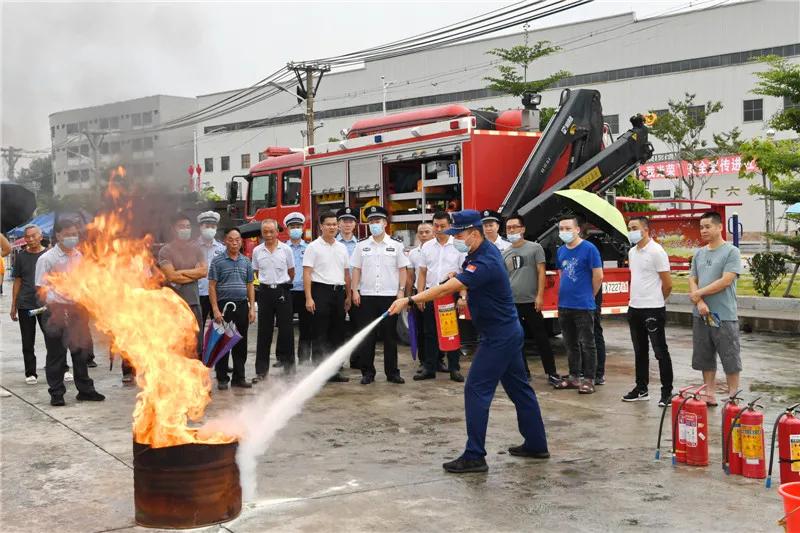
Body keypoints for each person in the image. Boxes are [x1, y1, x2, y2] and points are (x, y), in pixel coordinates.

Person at [388, 209, 549, 473]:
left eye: (459, 234)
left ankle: (475, 455)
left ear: (475, 233)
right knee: (519, 389)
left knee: (475, 389)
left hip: (499, 337)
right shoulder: (477, 253)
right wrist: (458, 277)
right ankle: (536, 444)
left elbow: (448, 289)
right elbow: (465, 279)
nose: (455, 238)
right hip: (505, 332)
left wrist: (411, 299)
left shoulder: (484, 259)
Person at [35, 217, 104, 406]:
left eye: (74, 234)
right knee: (56, 354)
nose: (72, 238)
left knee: (80, 352)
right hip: (55, 311)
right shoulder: (46, 259)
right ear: (58, 235)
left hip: (77, 309)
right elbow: (40, 287)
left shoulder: (78, 256)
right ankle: (57, 393)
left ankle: (85, 390)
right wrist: (57, 298)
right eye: (67, 235)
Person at [688, 211, 742, 406]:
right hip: (701, 313)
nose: (703, 230)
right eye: (701, 227)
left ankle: (733, 394)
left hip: (724, 314)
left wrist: (699, 293)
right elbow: (692, 278)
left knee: (730, 354)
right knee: (704, 354)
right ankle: (708, 393)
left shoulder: (731, 252)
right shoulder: (699, 253)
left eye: (707, 226)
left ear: (719, 227)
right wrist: (699, 301)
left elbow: (726, 280)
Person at [350, 205, 409, 384]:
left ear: (385, 223)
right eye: (371, 222)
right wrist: (354, 290)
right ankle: (368, 372)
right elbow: (356, 270)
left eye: (377, 221)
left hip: (389, 296)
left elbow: (403, 270)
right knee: (368, 336)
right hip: (367, 296)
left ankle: (392, 373)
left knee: (390, 336)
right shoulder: (361, 246)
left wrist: (401, 291)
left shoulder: (396, 245)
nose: (374, 225)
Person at [501, 214, 562, 386]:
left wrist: (540, 295)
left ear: (523, 229)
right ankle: (524, 372)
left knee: (541, 338)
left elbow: (541, 272)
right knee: (517, 340)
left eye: (515, 227)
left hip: (531, 301)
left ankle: (551, 372)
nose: (511, 230)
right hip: (513, 302)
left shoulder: (535, 248)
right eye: (508, 228)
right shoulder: (505, 253)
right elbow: (505, 278)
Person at [622, 216, 674, 406]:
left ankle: (667, 392)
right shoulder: (632, 252)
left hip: (653, 309)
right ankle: (641, 388)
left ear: (645, 230)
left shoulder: (657, 251)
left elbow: (668, 284)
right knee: (639, 351)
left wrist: (656, 300)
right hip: (634, 307)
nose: (631, 231)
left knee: (660, 352)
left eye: (634, 228)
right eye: (629, 228)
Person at [552, 214, 603, 395]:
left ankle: (589, 379)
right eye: (561, 229)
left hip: (583, 305)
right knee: (570, 343)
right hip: (564, 304)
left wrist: (589, 295)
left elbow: (598, 276)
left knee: (587, 343)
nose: (564, 232)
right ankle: (574, 376)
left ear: (577, 230)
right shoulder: (561, 251)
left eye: (568, 228)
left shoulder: (589, 249)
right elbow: (561, 273)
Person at [416, 211, 466, 382]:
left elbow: (464, 274)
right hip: (430, 294)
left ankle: (454, 368)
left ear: (450, 226)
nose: (438, 229)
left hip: (449, 296)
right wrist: (420, 295)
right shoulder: (427, 246)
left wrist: (462, 297)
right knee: (429, 332)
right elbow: (422, 273)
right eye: (436, 226)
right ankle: (429, 367)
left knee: (451, 332)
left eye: (442, 226)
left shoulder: (459, 246)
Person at [303, 211, 351, 383]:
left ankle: (334, 370)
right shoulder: (313, 247)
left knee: (337, 333)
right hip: (320, 292)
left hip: (339, 293)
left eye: (334, 224)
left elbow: (346, 274)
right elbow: (307, 273)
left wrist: (348, 296)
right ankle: (318, 372)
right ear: (321, 226)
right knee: (319, 333)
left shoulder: (342, 247)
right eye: (328, 224)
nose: (332, 227)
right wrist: (309, 298)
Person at [209, 228, 256, 390]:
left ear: (241, 242)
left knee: (240, 343)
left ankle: (239, 377)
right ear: (225, 241)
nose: (234, 242)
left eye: (237, 239)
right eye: (231, 239)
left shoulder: (246, 261)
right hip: (224, 307)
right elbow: (212, 286)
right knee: (223, 343)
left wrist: (252, 308)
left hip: (242, 306)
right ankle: (222, 378)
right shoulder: (217, 261)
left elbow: (250, 285)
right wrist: (215, 309)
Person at [252, 219, 295, 381]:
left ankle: (290, 370)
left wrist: (280, 284)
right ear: (262, 233)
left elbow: (291, 272)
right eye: (265, 232)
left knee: (286, 331)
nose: (268, 235)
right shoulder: (257, 251)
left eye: (272, 231)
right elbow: (255, 272)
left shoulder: (286, 250)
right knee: (264, 332)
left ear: (278, 232)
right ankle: (261, 372)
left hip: (283, 290)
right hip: (264, 292)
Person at [157, 213, 207, 347]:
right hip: (174, 305)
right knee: (176, 347)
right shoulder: (165, 251)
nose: (186, 229)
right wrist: (193, 273)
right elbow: (171, 276)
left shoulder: (196, 249)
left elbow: (204, 271)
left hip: (194, 303)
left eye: (188, 226)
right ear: (173, 229)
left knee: (196, 346)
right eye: (181, 226)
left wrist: (180, 273)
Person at [10, 225, 48, 384]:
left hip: (46, 303)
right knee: (27, 340)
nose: (30, 239)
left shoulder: (48, 255)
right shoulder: (21, 256)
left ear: (41, 236)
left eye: (33, 236)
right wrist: (14, 305)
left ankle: (62, 367)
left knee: (52, 337)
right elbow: (17, 280)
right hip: (26, 304)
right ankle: (30, 372)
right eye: (27, 237)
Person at [405, 222, 436, 370]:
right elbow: (410, 278)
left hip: (438, 292)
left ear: (434, 233)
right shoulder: (413, 253)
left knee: (439, 329)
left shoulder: (439, 250)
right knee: (423, 330)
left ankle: (439, 360)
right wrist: (409, 298)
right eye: (421, 232)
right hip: (420, 295)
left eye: (427, 232)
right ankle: (424, 361)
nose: (424, 235)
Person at [285, 212, 312, 364]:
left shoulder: (309, 248)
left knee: (306, 327)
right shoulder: (282, 248)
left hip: (304, 292)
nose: (296, 229)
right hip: (287, 291)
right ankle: (285, 358)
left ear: (303, 228)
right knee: (286, 328)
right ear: (287, 229)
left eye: (298, 226)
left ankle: (304, 357)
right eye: (292, 226)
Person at [336, 206, 360, 369]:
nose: (347, 224)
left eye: (350, 221)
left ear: (355, 224)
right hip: (337, 290)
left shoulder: (361, 244)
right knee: (337, 327)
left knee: (358, 326)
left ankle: (357, 360)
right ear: (338, 224)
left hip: (357, 290)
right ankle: (337, 364)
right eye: (344, 221)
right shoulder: (331, 244)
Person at [196, 211, 226, 329]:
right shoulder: (192, 247)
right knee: (197, 329)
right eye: (207, 226)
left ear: (216, 228)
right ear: (200, 227)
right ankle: (199, 348)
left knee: (219, 329)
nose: (210, 229)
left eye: (212, 227)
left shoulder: (222, 249)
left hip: (217, 295)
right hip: (198, 293)